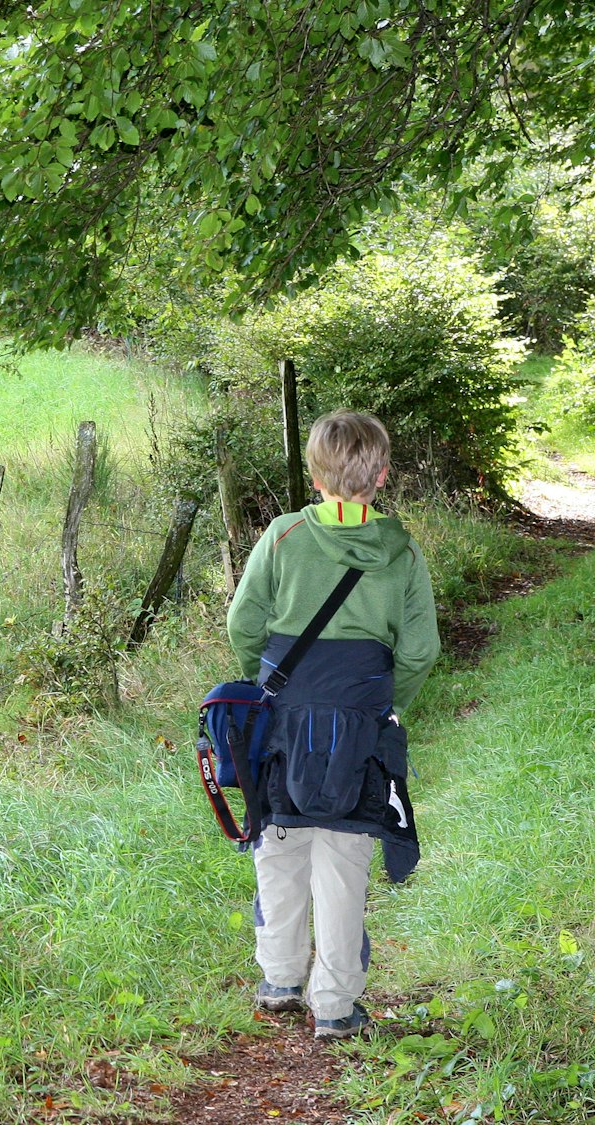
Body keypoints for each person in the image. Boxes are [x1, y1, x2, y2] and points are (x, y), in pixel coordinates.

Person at [225, 410, 440, 1040]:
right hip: (360, 718)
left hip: (284, 714)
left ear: (314, 476)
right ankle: (335, 1005)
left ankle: (279, 979)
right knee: (345, 856)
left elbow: (243, 623)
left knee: (279, 843)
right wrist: (388, 703)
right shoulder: (402, 552)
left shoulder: (284, 536)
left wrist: (267, 682)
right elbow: (420, 650)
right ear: (382, 475)